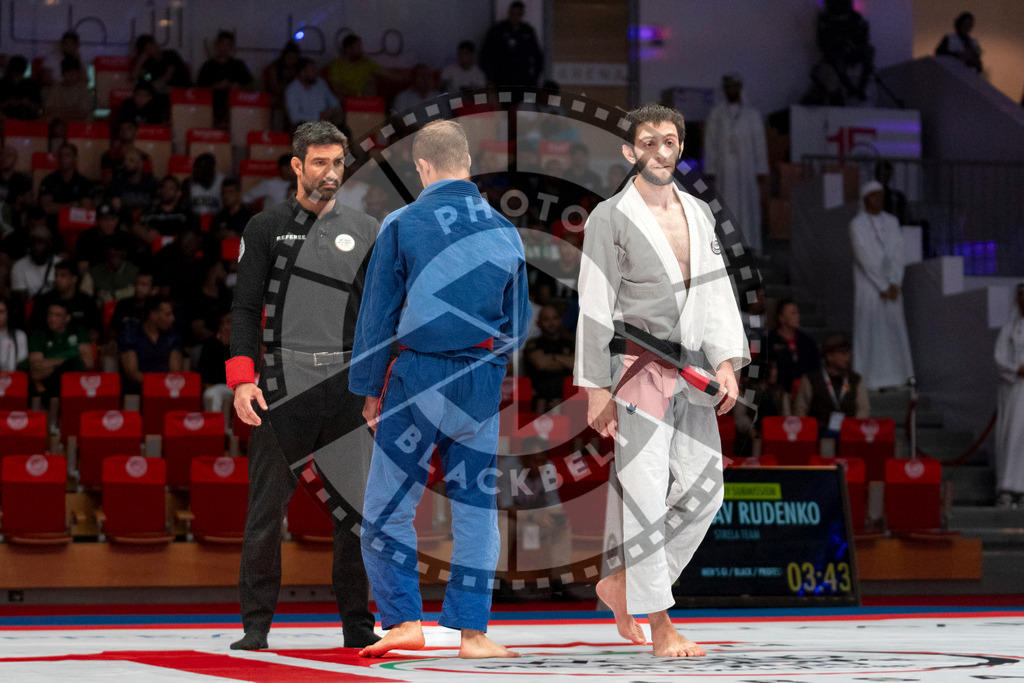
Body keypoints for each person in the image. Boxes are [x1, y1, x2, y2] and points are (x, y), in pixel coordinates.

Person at [350, 119, 530, 659]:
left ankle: (404, 619)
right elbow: (519, 324)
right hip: (478, 382)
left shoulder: (403, 222)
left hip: (417, 378)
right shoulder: (505, 229)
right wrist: (487, 370)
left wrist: (368, 387)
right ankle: (473, 632)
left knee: (387, 506)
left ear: (422, 167)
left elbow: (377, 315)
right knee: (475, 508)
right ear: (468, 163)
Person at [575, 103, 748, 657]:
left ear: (679, 147)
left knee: (705, 489)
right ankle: (661, 625)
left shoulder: (698, 212)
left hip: (694, 368)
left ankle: (625, 583)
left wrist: (726, 361)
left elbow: (718, 292)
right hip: (637, 369)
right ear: (630, 152)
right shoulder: (610, 216)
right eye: (648, 142)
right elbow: (594, 303)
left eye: (669, 141)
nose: (659, 151)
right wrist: (595, 388)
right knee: (646, 494)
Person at [227, 121, 381, 651]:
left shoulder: (366, 229)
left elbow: (377, 316)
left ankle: (359, 626)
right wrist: (242, 380)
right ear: (296, 165)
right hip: (283, 381)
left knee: (356, 515)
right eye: (319, 162)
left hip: (346, 383)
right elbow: (245, 309)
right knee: (266, 509)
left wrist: (376, 386)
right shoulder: (265, 227)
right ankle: (256, 628)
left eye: (338, 163)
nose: (331, 173)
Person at [850, 180, 914, 390]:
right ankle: (867, 379)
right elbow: (864, 256)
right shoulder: (857, 224)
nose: (879, 199)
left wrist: (895, 282)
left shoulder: (892, 221)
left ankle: (899, 376)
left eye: (881, 195)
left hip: (892, 287)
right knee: (869, 329)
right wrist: (882, 285)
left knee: (894, 329)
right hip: (870, 287)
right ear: (866, 199)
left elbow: (898, 253)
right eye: (874, 195)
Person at [704, 73, 768, 254]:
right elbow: (710, 143)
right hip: (724, 170)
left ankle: (750, 243)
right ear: (725, 90)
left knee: (749, 205)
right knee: (726, 204)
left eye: (735, 86)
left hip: (747, 169)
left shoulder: (752, 114)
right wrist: (710, 167)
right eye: (729, 87)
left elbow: (759, 143)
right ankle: (727, 245)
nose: (732, 90)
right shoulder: (716, 114)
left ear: (740, 88)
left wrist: (761, 168)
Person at [794, 333, 869, 437]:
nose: (847, 357)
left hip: (849, 433)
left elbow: (863, 409)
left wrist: (852, 428)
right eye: (843, 353)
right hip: (818, 433)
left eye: (848, 352)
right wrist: (808, 431)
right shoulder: (812, 379)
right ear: (829, 356)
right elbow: (801, 410)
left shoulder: (855, 380)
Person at [994, 283, 1024, 508]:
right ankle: (1007, 488)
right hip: (1013, 391)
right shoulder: (1010, 325)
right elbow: (999, 357)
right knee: (1012, 435)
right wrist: (1016, 369)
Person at [28, 301, 92, 398]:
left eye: (58, 315)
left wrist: (54, 361)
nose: (52, 319)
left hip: (74, 383)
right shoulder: (39, 334)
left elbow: (88, 363)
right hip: (49, 383)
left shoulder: (78, 331)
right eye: (50, 314)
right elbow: (37, 369)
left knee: (75, 364)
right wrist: (71, 356)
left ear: (67, 318)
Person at [118, 296, 182, 392]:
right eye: (167, 315)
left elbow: (175, 371)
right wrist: (153, 386)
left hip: (167, 389)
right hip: (139, 389)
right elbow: (132, 372)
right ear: (154, 315)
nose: (172, 318)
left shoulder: (173, 336)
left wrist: (163, 387)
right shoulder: (130, 335)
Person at [816, 0, 874, 101]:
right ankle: (849, 88)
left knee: (869, 51)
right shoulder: (825, 19)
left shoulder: (855, 17)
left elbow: (863, 39)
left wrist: (854, 43)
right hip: (836, 52)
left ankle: (861, 87)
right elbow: (823, 44)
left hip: (853, 50)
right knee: (834, 58)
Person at [28, 259, 101, 339]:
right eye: (56, 275)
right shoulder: (44, 301)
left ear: (74, 279)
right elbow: (33, 329)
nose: (57, 279)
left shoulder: (87, 302)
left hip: (78, 346)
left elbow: (95, 330)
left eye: (63, 275)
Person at [523, 304, 575, 412]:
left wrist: (553, 357)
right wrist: (564, 360)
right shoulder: (533, 343)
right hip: (540, 398)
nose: (551, 323)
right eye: (546, 319)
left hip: (567, 398)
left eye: (555, 318)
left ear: (560, 320)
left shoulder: (570, 343)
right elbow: (541, 364)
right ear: (538, 323)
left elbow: (575, 364)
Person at [480, 1, 544, 88]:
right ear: (509, 13)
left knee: (525, 100)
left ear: (522, 15)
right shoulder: (498, 30)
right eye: (512, 13)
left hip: (523, 78)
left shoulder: (527, 31)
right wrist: (490, 76)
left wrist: (535, 77)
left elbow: (537, 56)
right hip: (502, 78)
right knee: (505, 100)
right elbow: (486, 53)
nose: (514, 17)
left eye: (517, 14)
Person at [196, 31, 253, 126]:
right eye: (222, 44)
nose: (225, 47)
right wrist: (216, 86)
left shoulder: (239, 65)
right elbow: (198, 89)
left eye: (228, 44)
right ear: (217, 45)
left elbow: (250, 86)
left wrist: (239, 88)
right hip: (212, 104)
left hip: (235, 105)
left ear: (232, 47)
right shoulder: (208, 66)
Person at [765, 299, 820, 394]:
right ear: (781, 317)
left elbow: (816, 367)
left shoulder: (807, 341)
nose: (798, 317)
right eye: (793, 313)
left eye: (798, 313)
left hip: (804, 390)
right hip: (778, 390)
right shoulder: (769, 340)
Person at [39, 143, 96, 222]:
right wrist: (75, 205)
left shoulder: (85, 182)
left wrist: (58, 207)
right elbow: (47, 208)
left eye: (67, 155)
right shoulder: (48, 181)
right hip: (54, 223)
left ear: (75, 158)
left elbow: (87, 208)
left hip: (77, 224)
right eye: (61, 155)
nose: (63, 159)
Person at [10, 224, 60, 307]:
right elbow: (22, 302)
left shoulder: (60, 264)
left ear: (50, 243)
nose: (36, 246)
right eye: (33, 241)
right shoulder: (19, 267)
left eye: (41, 241)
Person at [284, 57, 342, 126]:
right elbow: (295, 118)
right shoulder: (291, 90)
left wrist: (333, 110)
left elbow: (334, 101)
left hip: (325, 125)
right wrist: (319, 116)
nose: (316, 73)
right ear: (302, 73)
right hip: (305, 128)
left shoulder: (320, 83)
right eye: (313, 70)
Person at [140, 175, 194, 241]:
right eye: (164, 187)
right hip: (154, 246)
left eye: (171, 188)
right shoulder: (150, 212)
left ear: (178, 193)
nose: (166, 191)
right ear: (159, 190)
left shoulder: (185, 213)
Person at [42, 56, 93, 122]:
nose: (71, 76)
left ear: (78, 74)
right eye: (68, 73)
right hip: (58, 124)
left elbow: (82, 113)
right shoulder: (56, 87)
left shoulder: (84, 89)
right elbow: (47, 109)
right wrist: (70, 111)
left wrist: (59, 112)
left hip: (78, 125)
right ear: (63, 74)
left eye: (74, 73)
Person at [0, 56, 43, 120]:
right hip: (5, 122)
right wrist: (7, 103)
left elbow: (40, 111)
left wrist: (29, 104)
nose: (17, 77)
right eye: (14, 73)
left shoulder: (31, 85)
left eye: (19, 74)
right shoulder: (3, 84)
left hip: (28, 122)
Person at [0, 299, 29, 371]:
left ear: (8, 314)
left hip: (13, 378)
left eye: (1, 312)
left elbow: (22, 364)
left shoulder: (19, 335)